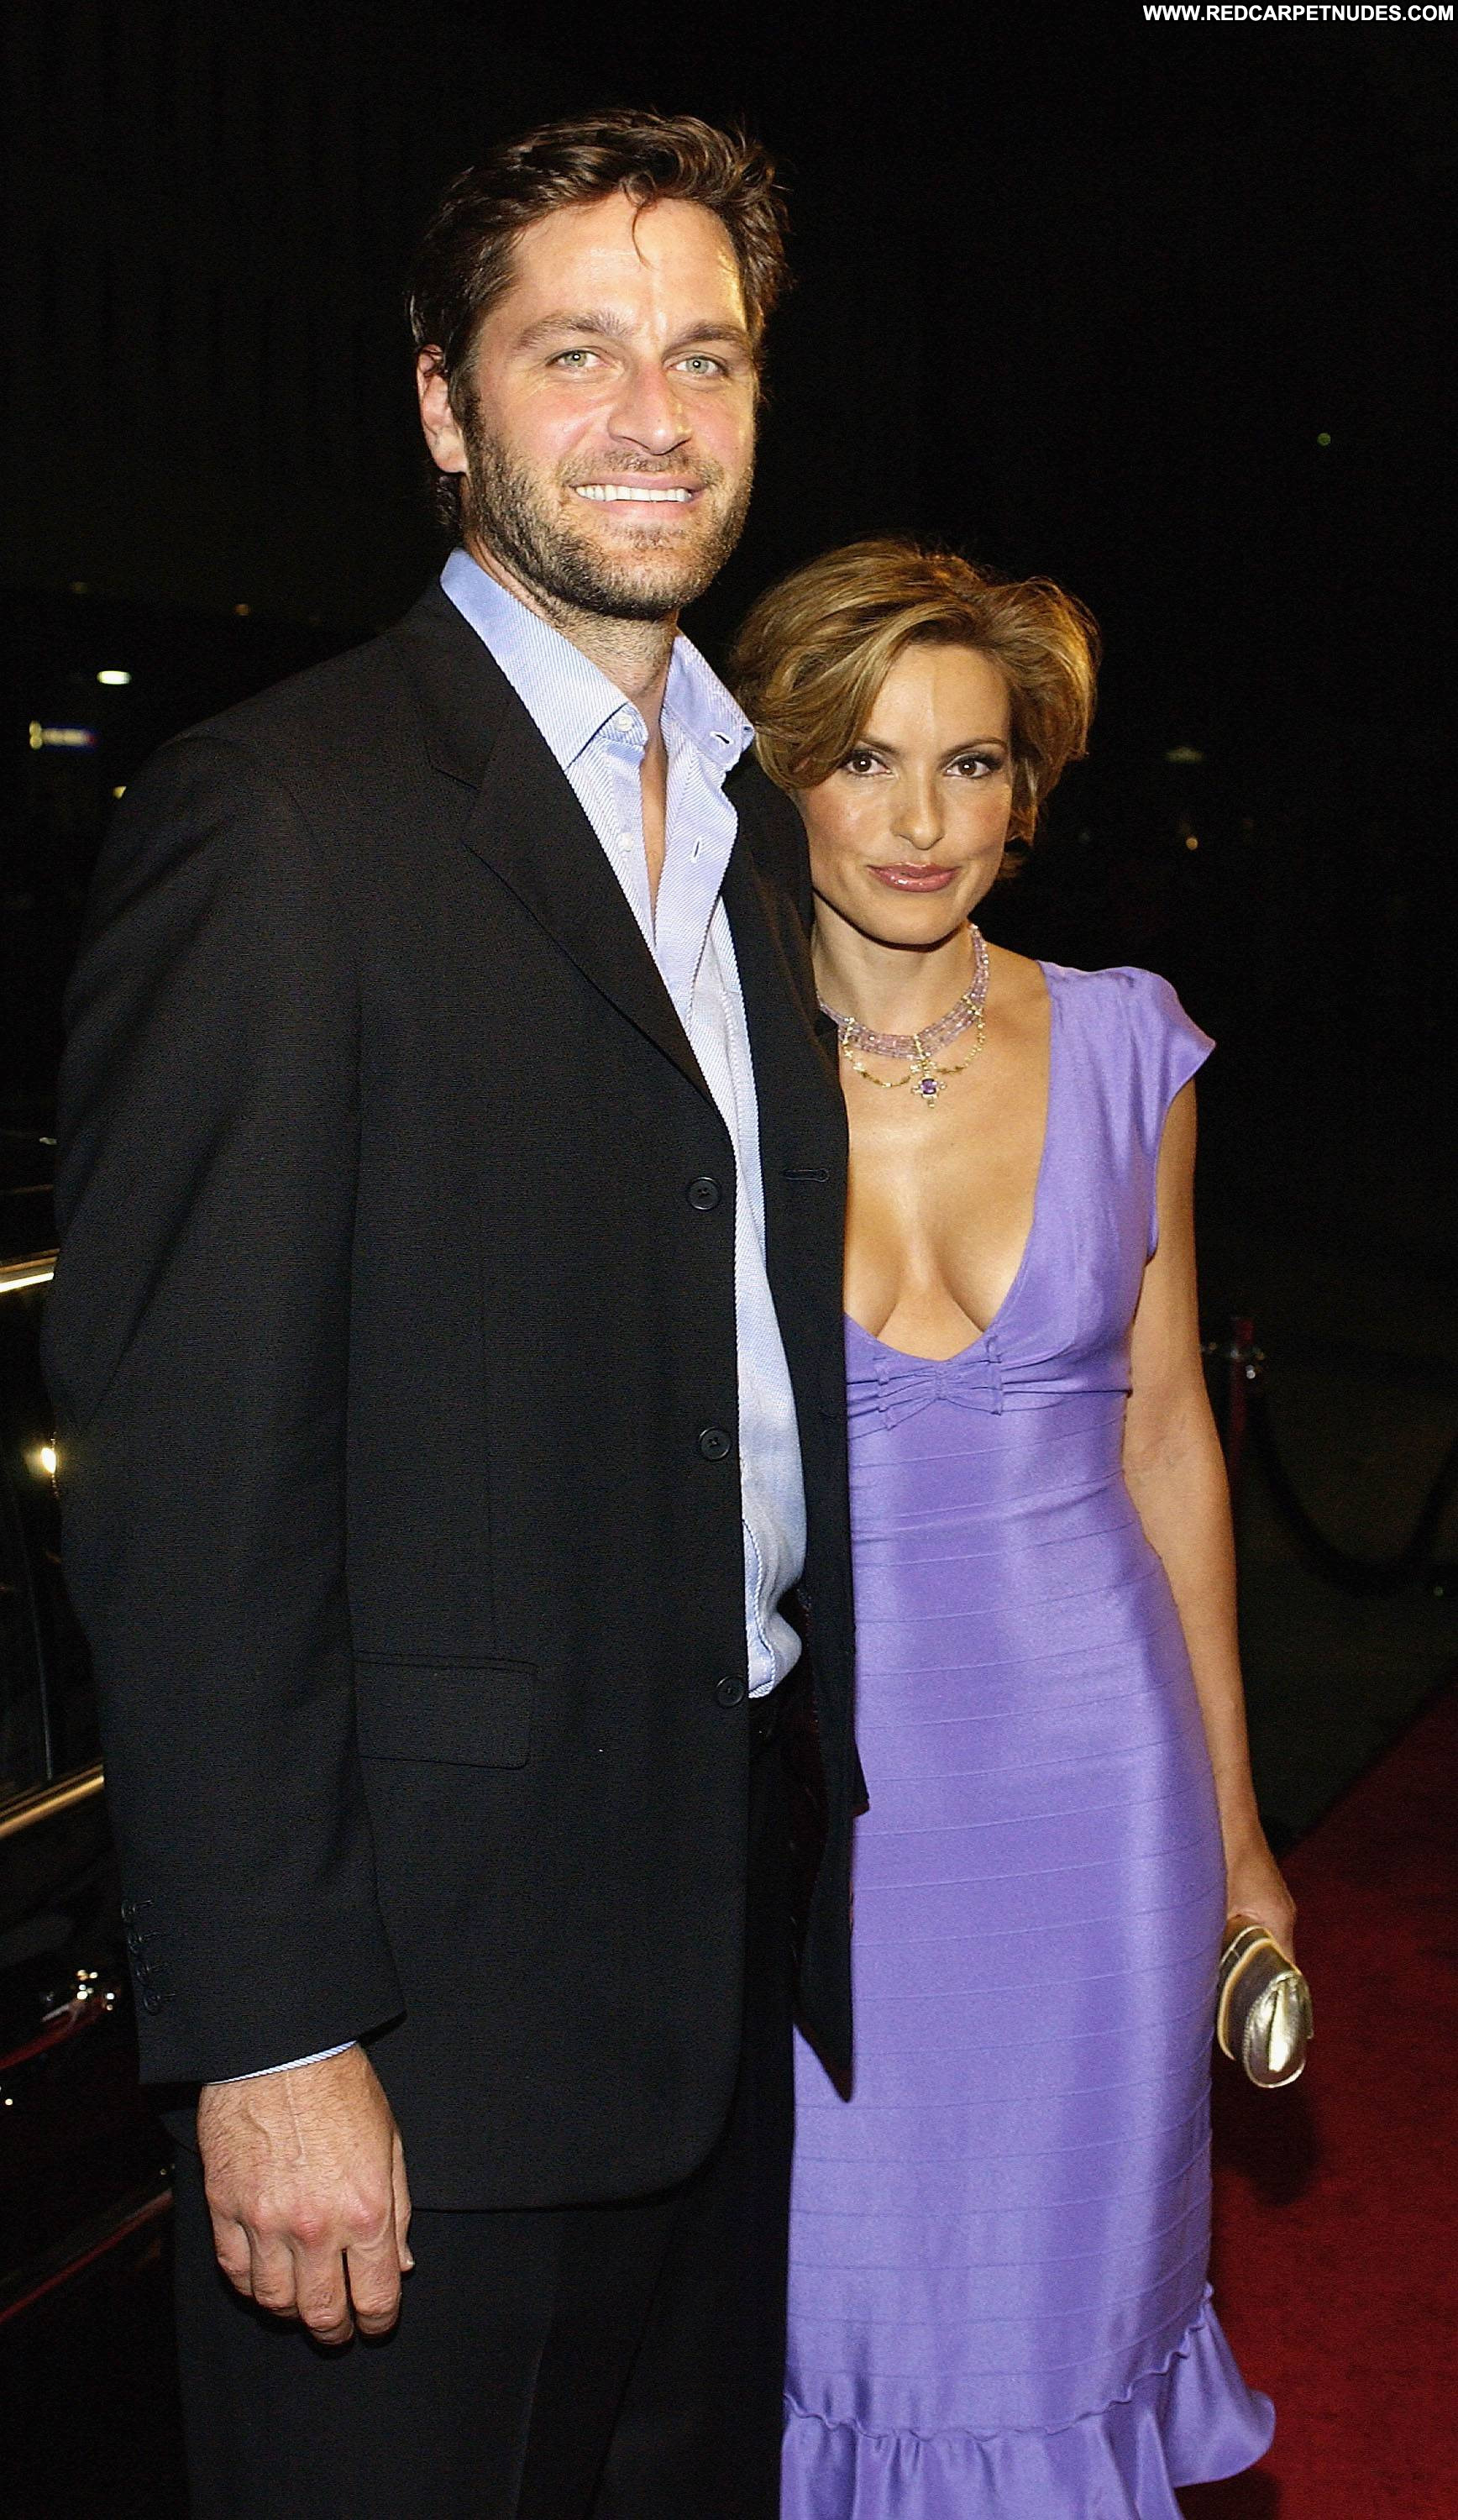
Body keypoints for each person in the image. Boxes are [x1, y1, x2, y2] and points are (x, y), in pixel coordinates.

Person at [42, 113, 857, 2520]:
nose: (652, 415)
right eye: (573, 352)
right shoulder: (283, 820)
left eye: (704, 356)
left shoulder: (755, 830)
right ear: (442, 403)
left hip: (713, 1969)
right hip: (415, 2037)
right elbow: (189, 1481)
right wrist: (273, 2029)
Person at [731, 540, 1290, 2517]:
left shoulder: (1130, 1045)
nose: (919, 821)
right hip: (828, 1813)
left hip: (1091, 1789)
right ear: (781, 772)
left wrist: (1238, 1836)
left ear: (1025, 796)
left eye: (970, 766)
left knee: (1058, 2323)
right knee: (844, 2327)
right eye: (864, 760)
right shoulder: (696, 1067)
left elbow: (1170, 1451)